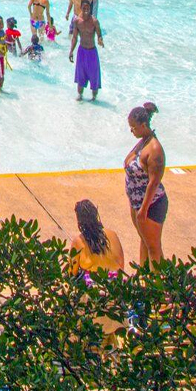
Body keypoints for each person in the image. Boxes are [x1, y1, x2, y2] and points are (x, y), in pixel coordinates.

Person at [123, 102, 166, 266]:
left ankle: (158, 284)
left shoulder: (154, 149)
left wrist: (143, 209)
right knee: (144, 241)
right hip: (137, 203)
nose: (131, 131)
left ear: (143, 125)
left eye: (133, 127)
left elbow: (154, 183)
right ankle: (144, 277)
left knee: (154, 247)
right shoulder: (143, 141)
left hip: (151, 205)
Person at [68, 199, 125, 276]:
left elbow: (71, 273)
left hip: (94, 284)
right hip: (115, 282)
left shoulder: (78, 241)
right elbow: (121, 265)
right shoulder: (113, 234)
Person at [68, 0, 103, 101]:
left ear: (90, 8)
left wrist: (100, 40)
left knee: (94, 77)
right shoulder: (77, 21)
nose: (86, 10)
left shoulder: (94, 22)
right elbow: (74, 37)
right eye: (84, 8)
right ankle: (80, 97)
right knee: (80, 77)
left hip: (92, 52)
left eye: (88, 8)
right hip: (82, 51)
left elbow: (99, 35)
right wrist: (71, 51)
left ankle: (94, 98)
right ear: (81, 8)